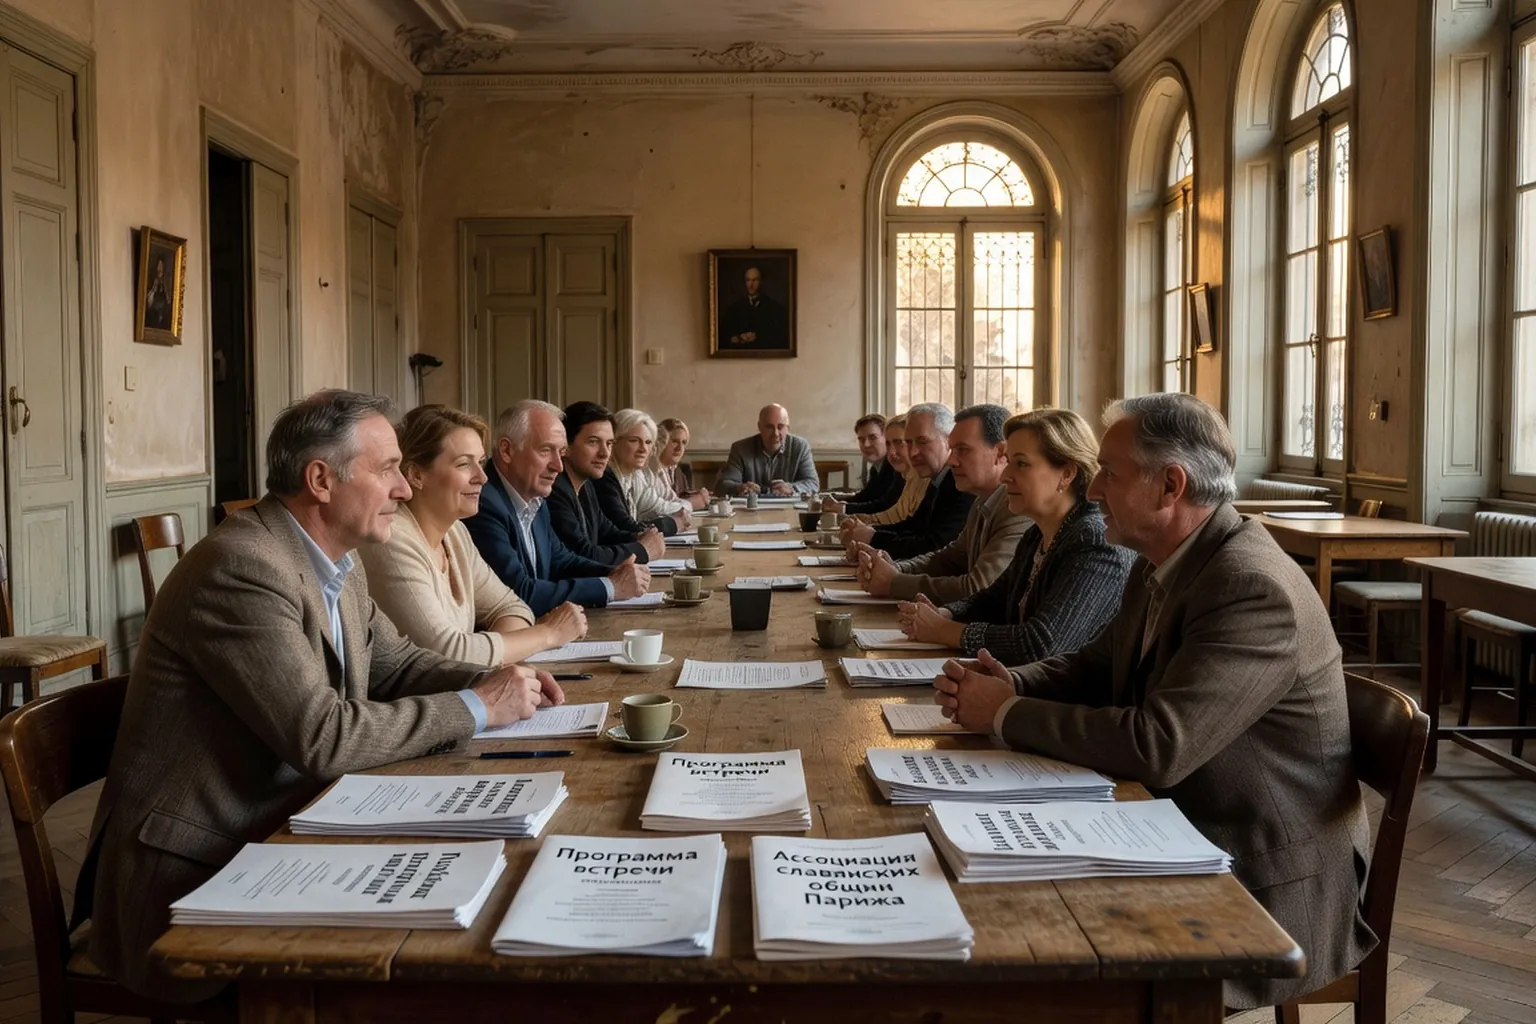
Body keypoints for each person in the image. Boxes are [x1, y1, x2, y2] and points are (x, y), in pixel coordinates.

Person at [76, 390, 565, 1002]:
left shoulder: (338, 560)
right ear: (320, 480)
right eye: (388, 470)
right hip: (195, 876)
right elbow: (321, 734)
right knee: (440, 970)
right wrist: (480, 706)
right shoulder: (242, 567)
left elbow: (398, 664)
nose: (405, 489)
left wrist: (485, 684)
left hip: (281, 831)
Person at [932, 393, 1374, 1010]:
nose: (1091, 491)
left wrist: (1002, 714)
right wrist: (1010, 683)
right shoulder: (1163, 559)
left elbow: (1158, 745)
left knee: (1022, 939)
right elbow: (1092, 665)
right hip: (1174, 825)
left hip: (1259, 874)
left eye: (1109, 474)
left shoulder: (1250, 586)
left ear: (1171, 485)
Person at [898, 409, 1135, 662]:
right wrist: (946, 613)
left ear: (1067, 473)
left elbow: (1040, 643)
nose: (1005, 475)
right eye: (1009, 461)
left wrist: (946, 631)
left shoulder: (1095, 540)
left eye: (1021, 463)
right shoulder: (1037, 534)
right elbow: (993, 600)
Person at [358, 405, 590, 664]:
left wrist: (492, 657)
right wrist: (548, 634)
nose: (482, 477)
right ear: (415, 475)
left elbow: (512, 607)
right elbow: (447, 654)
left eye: (480, 463)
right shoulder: (391, 540)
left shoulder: (455, 532)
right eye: (463, 464)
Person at [464, 399, 650, 614]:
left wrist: (614, 572)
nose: (558, 466)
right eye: (545, 451)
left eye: (560, 453)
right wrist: (611, 586)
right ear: (506, 451)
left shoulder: (536, 498)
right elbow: (518, 593)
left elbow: (561, 561)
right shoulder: (483, 504)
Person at [853, 404, 1032, 604]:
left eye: (962, 450)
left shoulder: (1018, 509)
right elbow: (949, 559)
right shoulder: (983, 500)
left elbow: (978, 587)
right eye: (953, 449)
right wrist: (896, 568)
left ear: (1000, 453)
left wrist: (895, 582)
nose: (952, 460)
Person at [841, 402, 973, 559]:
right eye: (909, 443)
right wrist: (871, 533)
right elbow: (914, 526)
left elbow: (936, 545)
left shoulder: (960, 482)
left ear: (948, 440)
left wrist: (873, 538)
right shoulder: (938, 479)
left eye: (922, 441)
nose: (913, 452)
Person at [547, 401, 664, 565]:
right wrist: (642, 550)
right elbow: (583, 554)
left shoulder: (587, 483)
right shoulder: (554, 488)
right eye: (593, 442)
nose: (604, 453)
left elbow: (607, 532)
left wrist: (641, 537)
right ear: (566, 446)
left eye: (609, 443)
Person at [606, 409, 693, 533]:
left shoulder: (635, 476)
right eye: (634, 441)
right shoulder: (605, 477)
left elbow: (656, 506)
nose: (643, 449)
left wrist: (683, 509)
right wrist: (673, 523)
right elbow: (626, 528)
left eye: (648, 442)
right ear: (614, 441)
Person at [716, 403, 819, 495]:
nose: (775, 433)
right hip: (750, 510)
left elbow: (812, 483)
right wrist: (740, 488)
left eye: (780, 427)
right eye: (769, 427)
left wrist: (791, 488)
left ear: (788, 428)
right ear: (759, 427)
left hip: (789, 509)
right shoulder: (740, 449)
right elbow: (723, 485)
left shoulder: (800, 447)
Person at [842, 414, 925, 520]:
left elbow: (885, 504)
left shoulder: (900, 469)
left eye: (899, 442)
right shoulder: (902, 472)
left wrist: (845, 509)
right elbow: (894, 514)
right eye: (888, 444)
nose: (866, 445)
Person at [720, 265, 787, 350]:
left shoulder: (775, 308)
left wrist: (758, 337)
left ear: (762, 282)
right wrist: (739, 338)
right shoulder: (734, 309)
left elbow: (780, 339)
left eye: (755, 280)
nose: (751, 284)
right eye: (748, 280)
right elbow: (723, 338)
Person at [654, 417, 710, 511]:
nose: (680, 448)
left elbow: (678, 498)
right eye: (675, 441)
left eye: (684, 443)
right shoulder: (652, 471)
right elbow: (660, 508)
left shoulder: (677, 471)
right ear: (660, 441)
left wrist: (696, 495)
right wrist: (692, 502)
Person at [851, 413, 890, 491]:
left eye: (873, 437)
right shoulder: (875, 469)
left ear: (887, 438)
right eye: (861, 439)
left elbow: (884, 502)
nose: (866, 445)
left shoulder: (895, 469)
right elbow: (867, 496)